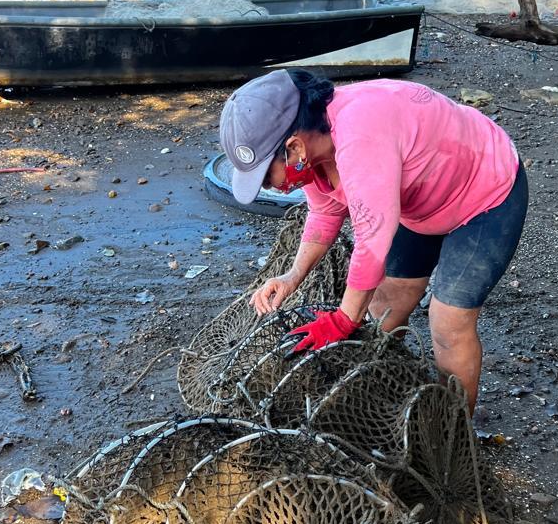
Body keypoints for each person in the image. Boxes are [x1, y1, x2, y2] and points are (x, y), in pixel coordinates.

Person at [219, 69, 528, 412]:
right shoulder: (310, 155)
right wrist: (293, 276)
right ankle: (393, 393)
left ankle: (454, 430)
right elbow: (324, 214)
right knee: (383, 308)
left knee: (448, 322)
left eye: (264, 176)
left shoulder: (359, 137)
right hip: (418, 202)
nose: (267, 186)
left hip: (484, 193)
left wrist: (343, 320)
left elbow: (372, 243)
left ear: (294, 147)